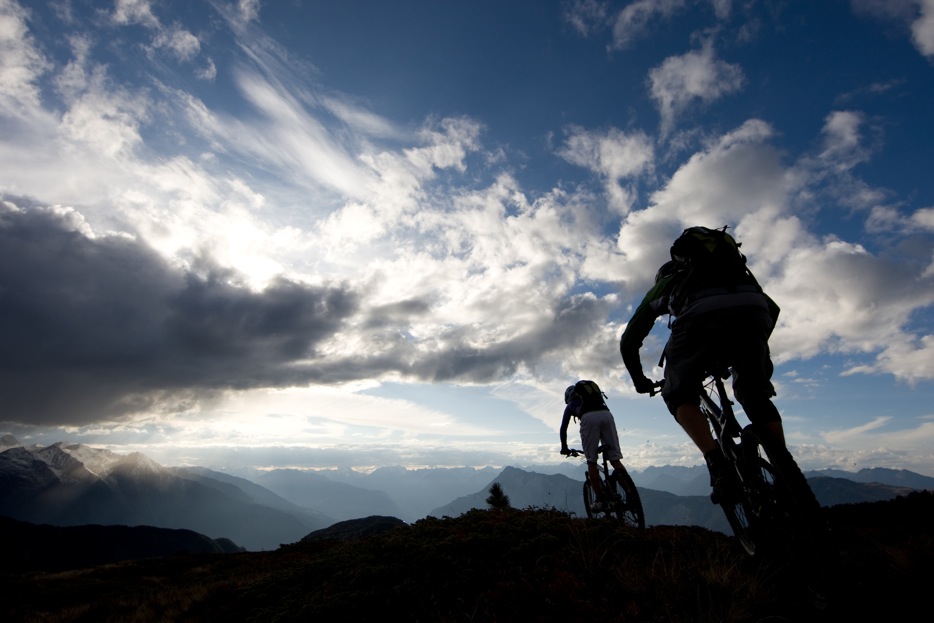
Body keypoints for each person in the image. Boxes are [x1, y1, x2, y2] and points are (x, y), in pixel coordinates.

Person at [619, 226, 784, 504]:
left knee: (679, 394)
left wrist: (639, 380)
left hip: (699, 318)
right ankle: (784, 468)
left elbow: (630, 338)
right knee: (754, 392)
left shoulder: (672, 281)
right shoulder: (735, 274)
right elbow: (773, 309)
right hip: (754, 311)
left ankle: (719, 467)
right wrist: (752, 351)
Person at [559, 380, 626, 511]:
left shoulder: (571, 404)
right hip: (607, 415)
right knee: (614, 459)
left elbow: (563, 428)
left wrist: (564, 447)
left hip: (589, 419)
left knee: (592, 462)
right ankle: (630, 493)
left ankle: (601, 500)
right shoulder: (594, 399)